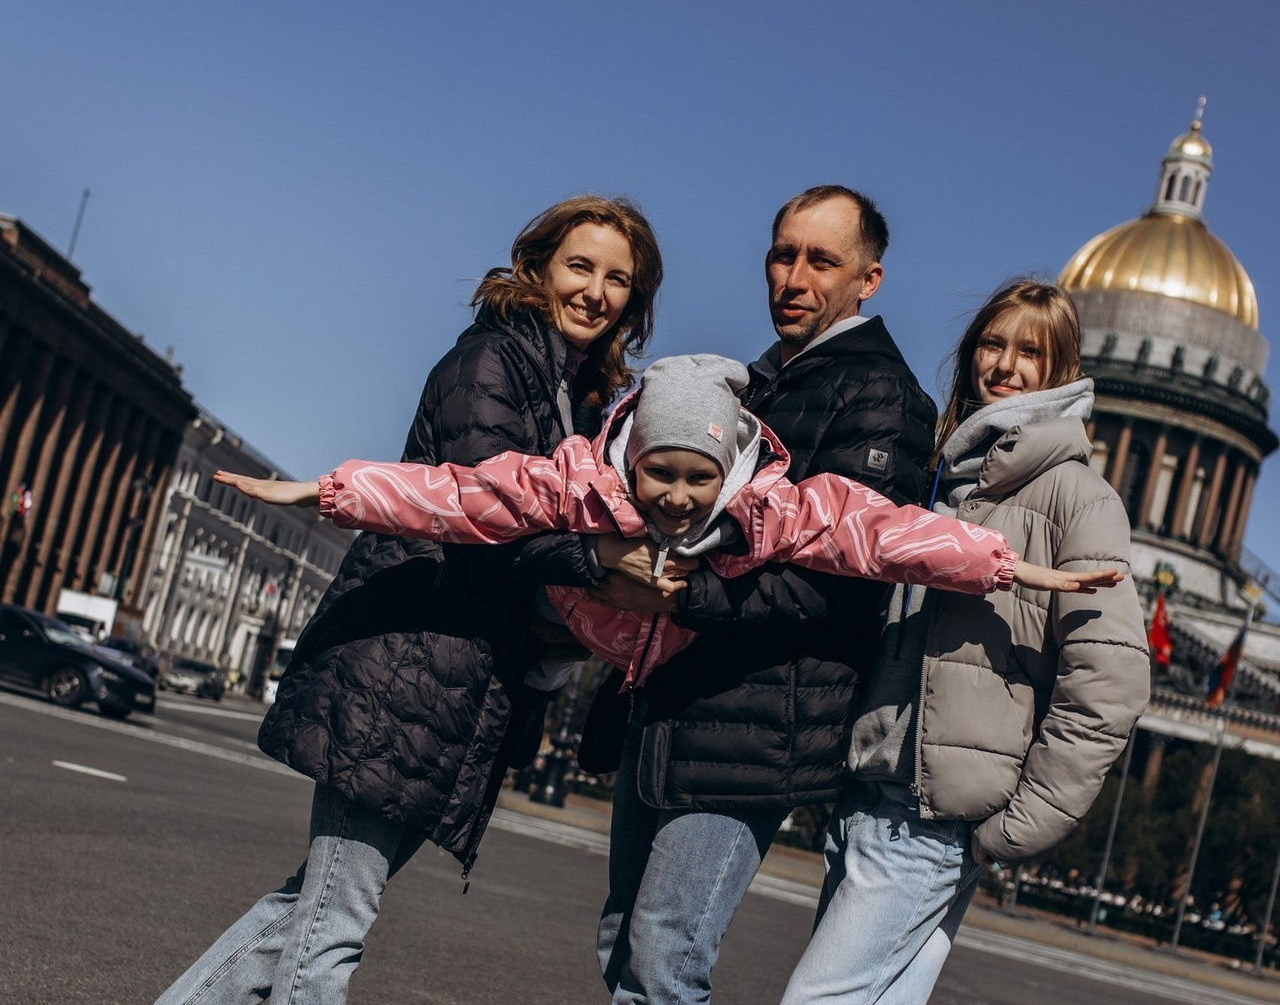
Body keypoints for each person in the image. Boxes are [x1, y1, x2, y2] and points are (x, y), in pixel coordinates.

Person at [77, 195, 662, 1005]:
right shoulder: (494, 364)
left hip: (444, 676)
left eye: (617, 279)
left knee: (311, 903)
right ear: (535, 266)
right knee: (332, 921)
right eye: (579, 266)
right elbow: (496, 516)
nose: (595, 290)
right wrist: (610, 572)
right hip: (401, 661)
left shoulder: (570, 396)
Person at [497, 185, 941, 1005]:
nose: (790, 276)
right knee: (625, 952)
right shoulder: (768, 379)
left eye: (818, 260)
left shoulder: (880, 396)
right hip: (677, 704)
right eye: (780, 254)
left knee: (662, 965)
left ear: (866, 279)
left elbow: (843, 576)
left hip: (757, 728)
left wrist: (683, 591)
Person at [719, 278, 1151, 1005]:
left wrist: (1015, 821)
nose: (1001, 367)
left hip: (929, 817)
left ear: (1063, 373)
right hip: (875, 796)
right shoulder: (952, 478)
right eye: (990, 347)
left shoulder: (1069, 495)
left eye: (1028, 352)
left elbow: (1108, 684)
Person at [220, 353, 1116, 674]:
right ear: (630, 456)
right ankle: (551, 653)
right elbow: (461, 495)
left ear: (728, 467)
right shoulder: (581, 481)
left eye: (697, 478)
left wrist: (1011, 566)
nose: (676, 498)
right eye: (659, 475)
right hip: (593, 631)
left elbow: (885, 535)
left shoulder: (778, 508)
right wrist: (327, 490)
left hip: (668, 657)